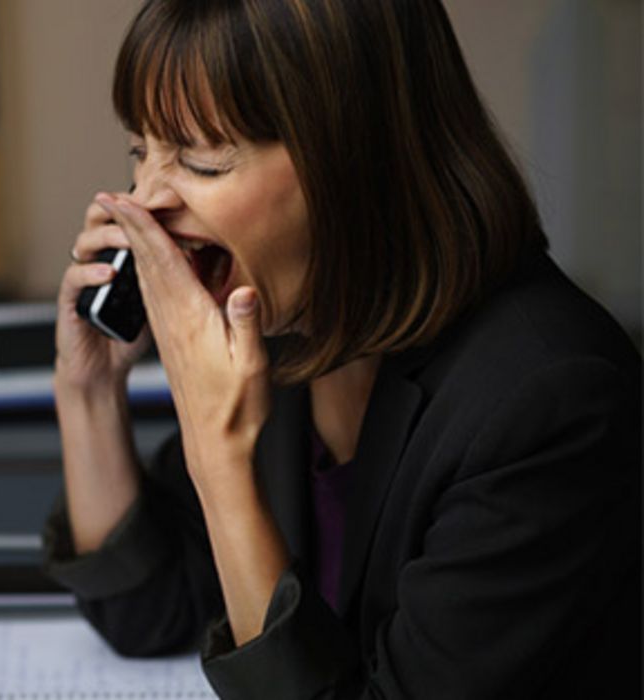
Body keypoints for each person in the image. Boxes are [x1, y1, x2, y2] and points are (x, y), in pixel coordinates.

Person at [44, 0, 641, 697]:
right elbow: (147, 611)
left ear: (355, 162)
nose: (141, 200)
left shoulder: (549, 403)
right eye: (140, 152)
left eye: (200, 161)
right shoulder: (293, 319)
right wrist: (88, 390)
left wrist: (218, 444)